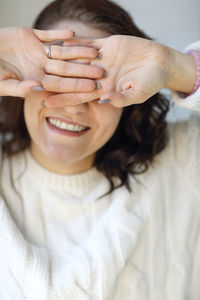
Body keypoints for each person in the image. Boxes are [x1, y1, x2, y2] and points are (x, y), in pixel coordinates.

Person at [0, 0, 200, 299]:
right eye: (59, 78)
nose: (74, 104)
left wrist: (174, 66)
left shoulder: (183, 162)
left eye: (96, 83)